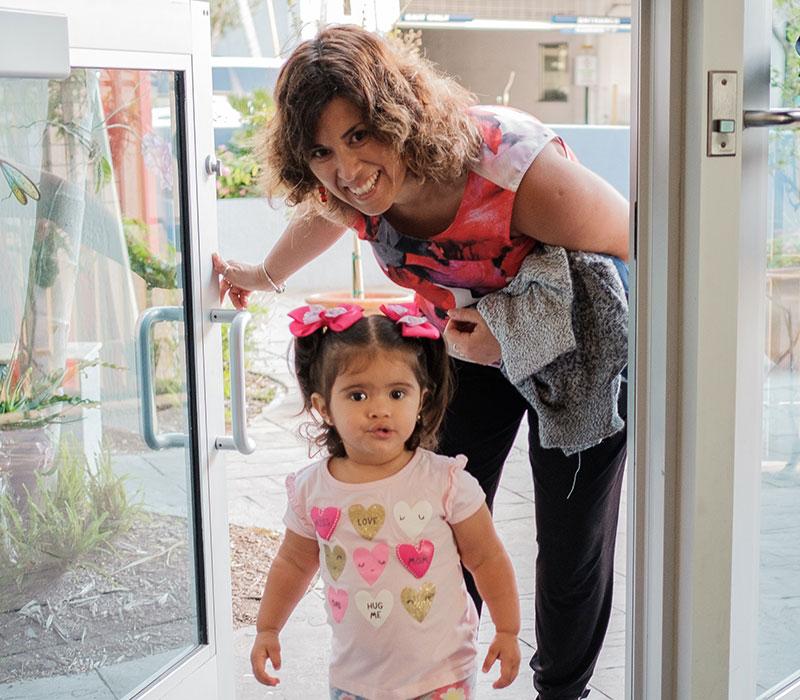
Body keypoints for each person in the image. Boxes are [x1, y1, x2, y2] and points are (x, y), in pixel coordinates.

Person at [215, 24, 629, 700]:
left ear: (398, 115)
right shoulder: (349, 193)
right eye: (321, 151)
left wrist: (517, 334)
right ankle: (436, 676)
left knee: (570, 539)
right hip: (468, 346)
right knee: (433, 510)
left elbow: (641, 246)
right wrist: (261, 273)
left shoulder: (518, 174)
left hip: (577, 353)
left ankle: (563, 693)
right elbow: (326, 215)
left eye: (358, 136)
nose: (346, 170)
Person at [249, 303, 521, 699]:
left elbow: (486, 557)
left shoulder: (445, 481)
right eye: (357, 395)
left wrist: (507, 628)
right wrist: (268, 628)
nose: (379, 409)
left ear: (421, 400)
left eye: (397, 393)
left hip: (441, 676)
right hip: (354, 681)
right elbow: (292, 561)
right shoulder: (312, 490)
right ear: (324, 407)